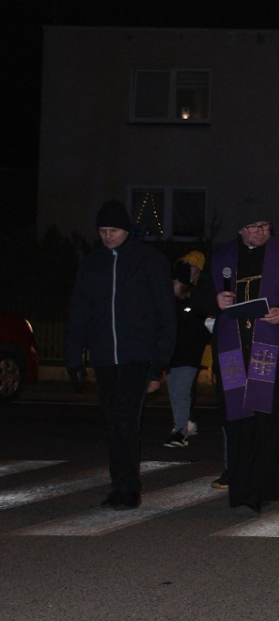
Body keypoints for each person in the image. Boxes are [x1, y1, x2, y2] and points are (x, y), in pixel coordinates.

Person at [191, 201, 279, 515]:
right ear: (240, 230)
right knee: (237, 420)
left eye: (265, 226)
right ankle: (243, 485)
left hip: (270, 350)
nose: (262, 232)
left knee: (266, 422)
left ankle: (264, 485)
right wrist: (214, 299)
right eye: (254, 227)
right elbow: (199, 296)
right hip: (233, 352)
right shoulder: (221, 258)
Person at [65, 199, 176, 510]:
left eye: (113, 230)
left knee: (126, 420)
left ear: (126, 230)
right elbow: (79, 312)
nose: (107, 236)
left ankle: (127, 488)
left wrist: (159, 363)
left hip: (136, 355)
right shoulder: (91, 264)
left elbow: (164, 313)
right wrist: (74, 357)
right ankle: (120, 483)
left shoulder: (149, 261)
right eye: (102, 230)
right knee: (114, 422)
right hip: (104, 356)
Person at [164, 250, 211, 448]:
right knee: (177, 392)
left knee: (180, 392)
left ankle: (180, 432)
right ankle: (185, 424)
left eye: (192, 267)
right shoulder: (171, 299)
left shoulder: (198, 296)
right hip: (173, 354)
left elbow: (202, 327)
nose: (189, 270)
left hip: (188, 354)